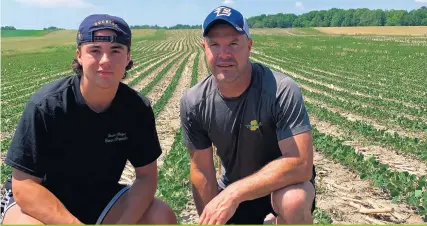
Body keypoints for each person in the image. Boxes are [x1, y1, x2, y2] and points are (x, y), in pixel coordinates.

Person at [0, 14, 177, 225]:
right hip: (41, 198)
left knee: (160, 215)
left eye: (115, 51)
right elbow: (24, 186)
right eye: (95, 50)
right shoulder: (47, 106)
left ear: (128, 57)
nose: (105, 61)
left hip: (100, 198)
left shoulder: (136, 109)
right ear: (79, 56)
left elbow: (147, 177)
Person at [180, 6, 316, 225]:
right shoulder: (194, 102)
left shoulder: (280, 89)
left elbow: (300, 164)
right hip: (233, 191)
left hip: (282, 186)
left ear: (249, 46)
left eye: (233, 43)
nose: (224, 54)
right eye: (215, 44)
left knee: (294, 200)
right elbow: (202, 170)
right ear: (203, 47)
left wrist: (234, 193)